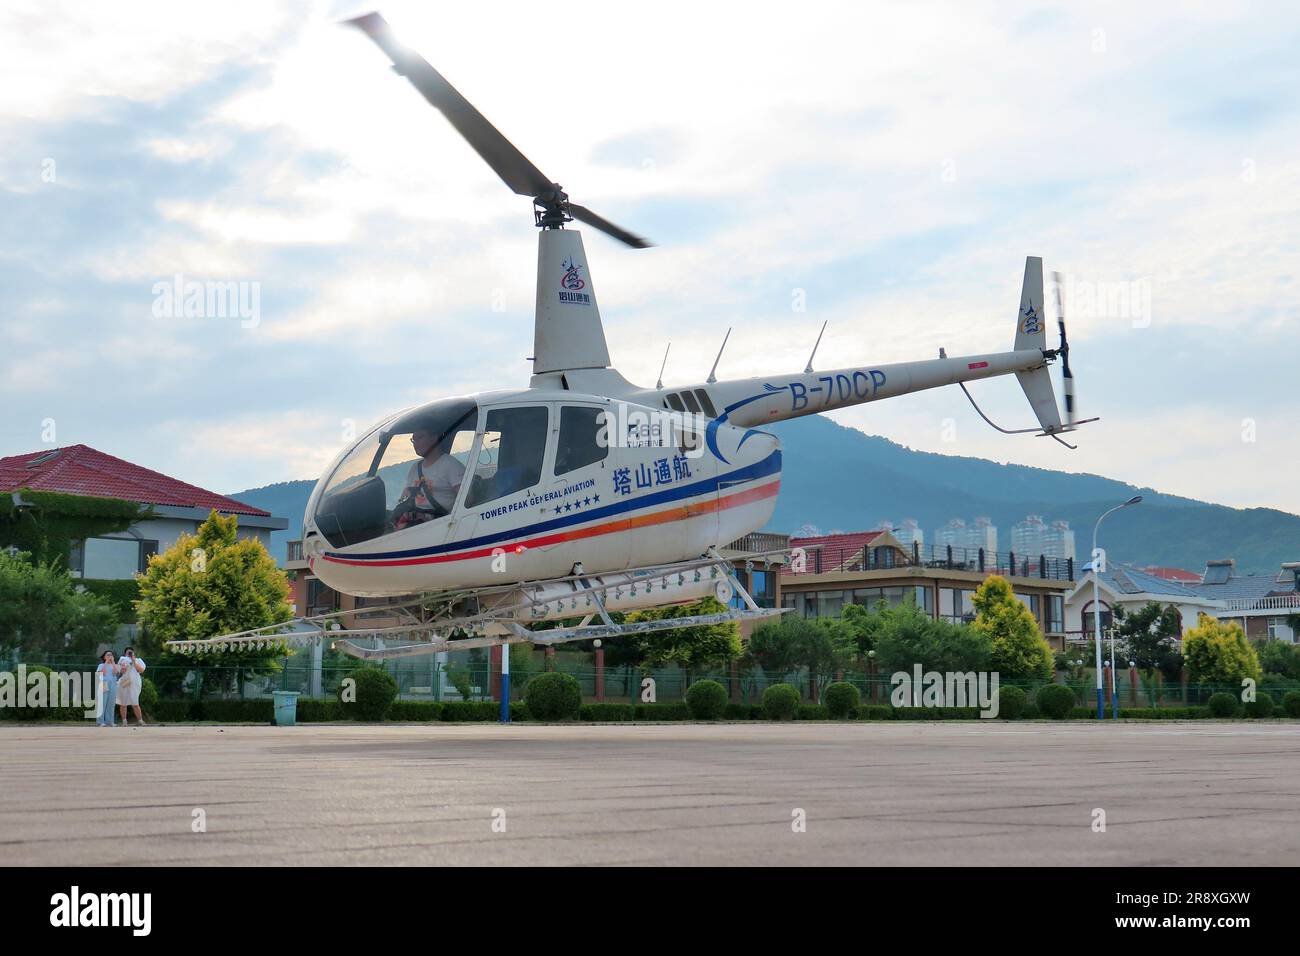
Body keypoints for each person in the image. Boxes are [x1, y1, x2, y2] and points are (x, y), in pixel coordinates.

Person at [391, 427, 466, 530]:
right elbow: (404, 498)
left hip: (442, 526)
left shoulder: (451, 465)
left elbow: (468, 500)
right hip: (415, 524)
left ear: (433, 438)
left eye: (420, 437)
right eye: (413, 439)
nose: (415, 443)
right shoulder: (415, 468)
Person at [116, 646, 147, 726]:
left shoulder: (138, 660)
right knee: (123, 703)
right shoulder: (122, 659)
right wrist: (124, 667)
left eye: (131, 652)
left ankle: (140, 720)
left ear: (134, 653)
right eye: (128, 652)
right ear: (125, 654)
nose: (129, 654)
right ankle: (124, 721)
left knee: (135, 702)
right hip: (124, 682)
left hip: (134, 683)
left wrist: (133, 661)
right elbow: (119, 671)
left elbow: (141, 670)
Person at [95, 650, 118, 727]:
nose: (110, 656)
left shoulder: (114, 665)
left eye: (111, 655)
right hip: (104, 684)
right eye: (108, 655)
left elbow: (115, 673)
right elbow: (103, 673)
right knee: (102, 703)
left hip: (113, 684)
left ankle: (110, 721)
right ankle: (100, 721)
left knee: (111, 704)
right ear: (104, 657)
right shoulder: (101, 665)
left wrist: (113, 662)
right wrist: (106, 662)